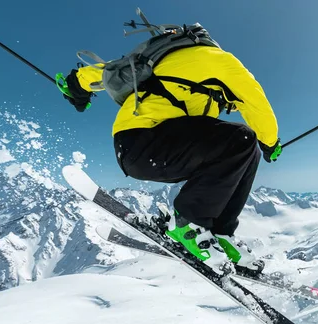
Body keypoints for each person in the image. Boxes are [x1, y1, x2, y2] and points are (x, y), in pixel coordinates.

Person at [63, 27, 281, 276]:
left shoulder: (156, 62)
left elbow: (103, 73)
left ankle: (220, 232)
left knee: (246, 149)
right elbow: (254, 99)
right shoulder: (219, 60)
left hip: (138, 149)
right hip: (148, 141)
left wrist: (75, 86)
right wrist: (271, 142)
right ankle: (189, 223)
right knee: (243, 139)